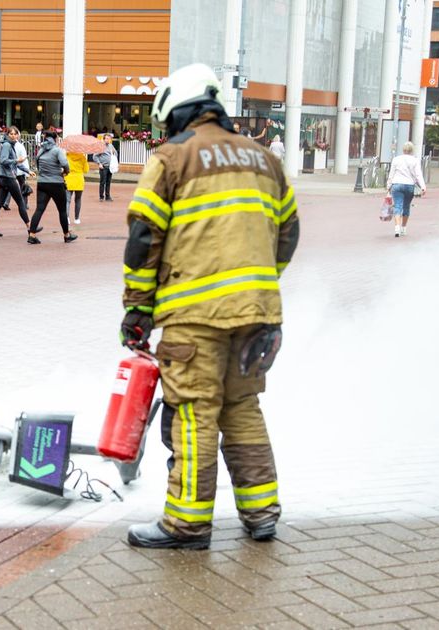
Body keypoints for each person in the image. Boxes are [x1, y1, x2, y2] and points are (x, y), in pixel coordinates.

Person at [120, 63, 299, 550]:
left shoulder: (173, 157)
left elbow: (143, 238)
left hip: (195, 319)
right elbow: (289, 233)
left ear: (177, 109)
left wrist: (137, 310)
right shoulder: (265, 159)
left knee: (195, 415)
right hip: (258, 315)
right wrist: (261, 287)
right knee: (242, 408)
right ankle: (261, 515)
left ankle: (187, 525)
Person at [28, 131, 77, 244]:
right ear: (55, 139)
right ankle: (66, 234)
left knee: (39, 209)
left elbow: (37, 164)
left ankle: (32, 234)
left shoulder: (41, 150)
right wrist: (65, 172)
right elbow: (65, 163)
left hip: (42, 183)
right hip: (56, 183)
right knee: (62, 211)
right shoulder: (57, 150)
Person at [0, 126, 31, 236]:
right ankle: (30, 228)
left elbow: (14, 164)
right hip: (9, 179)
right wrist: (17, 160)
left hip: (5, 178)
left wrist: (27, 171)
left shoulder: (11, 145)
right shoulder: (7, 145)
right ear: (7, 135)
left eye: (15, 134)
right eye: (11, 134)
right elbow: (4, 161)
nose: (14, 136)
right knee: (21, 202)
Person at [387, 141, 426, 238]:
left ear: (403, 149)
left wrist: (388, 186)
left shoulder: (396, 159)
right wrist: (423, 187)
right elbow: (418, 175)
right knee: (406, 206)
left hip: (397, 184)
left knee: (397, 206)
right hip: (409, 185)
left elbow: (391, 174)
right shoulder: (415, 160)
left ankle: (397, 228)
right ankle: (403, 228)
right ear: (412, 150)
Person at [65, 149, 88, 224]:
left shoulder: (67, 156)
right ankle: (77, 219)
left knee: (67, 200)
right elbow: (86, 170)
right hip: (79, 180)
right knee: (78, 200)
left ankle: (67, 218)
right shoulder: (82, 157)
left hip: (69, 179)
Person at [95, 133, 116, 201]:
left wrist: (114, 152)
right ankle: (101, 197)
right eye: (106, 138)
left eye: (109, 139)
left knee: (108, 182)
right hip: (103, 167)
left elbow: (116, 154)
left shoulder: (111, 146)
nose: (108, 140)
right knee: (102, 182)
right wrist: (99, 163)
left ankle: (108, 196)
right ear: (103, 139)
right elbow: (95, 156)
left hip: (110, 167)